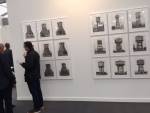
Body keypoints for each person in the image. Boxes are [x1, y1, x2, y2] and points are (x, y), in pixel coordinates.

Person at [20, 41, 43, 113]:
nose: (24, 48)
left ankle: (37, 108)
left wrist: (22, 63)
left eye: (24, 46)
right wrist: (26, 57)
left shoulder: (30, 54)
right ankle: (41, 105)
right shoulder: (35, 53)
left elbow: (29, 66)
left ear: (27, 47)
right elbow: (32, 64)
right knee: (38, 91)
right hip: (35, 76)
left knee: (34, 92)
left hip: (31, 77)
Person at [0, 43, 14, 113]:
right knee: (8, 101)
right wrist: (13, 79)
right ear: (1, 49)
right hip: (5, 83)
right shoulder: (3, 56)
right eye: (2, 48)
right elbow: (7, 71)